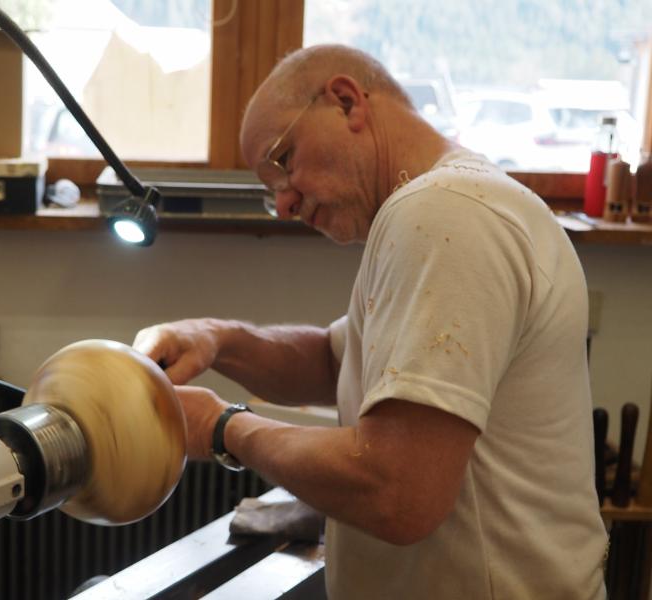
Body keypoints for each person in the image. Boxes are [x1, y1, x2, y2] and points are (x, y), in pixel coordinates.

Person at [133, 44, 607, 598]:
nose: (284, 204)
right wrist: (217, 339)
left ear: (346, 102)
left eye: (283, 163)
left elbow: (398, 491)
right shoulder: (443, 207)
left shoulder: (445, 212)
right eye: (271, 193)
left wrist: (222, 428)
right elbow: (332, 361)